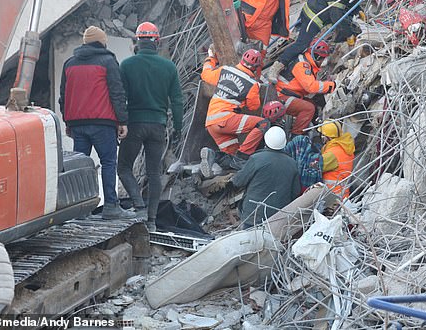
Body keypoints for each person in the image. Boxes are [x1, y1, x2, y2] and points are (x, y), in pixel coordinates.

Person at [59, 26, 135, 220]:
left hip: (78, 125)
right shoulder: (108, 62)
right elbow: (117, 93)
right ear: (102, 42)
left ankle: (80, 211)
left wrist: (68, 121)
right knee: (108, 162)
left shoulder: (69, 64)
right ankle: (111, 206)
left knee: (80, 168)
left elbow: (63, 96)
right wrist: (122, 121)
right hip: (103, 123)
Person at [117, 22, 184, 232]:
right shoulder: (169, 67)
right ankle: (151, 220)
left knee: (124, 168)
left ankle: (138, 206)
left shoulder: (127, 65)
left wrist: (120, 122)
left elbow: (120, 97)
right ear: (157, 41)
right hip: (158, 125)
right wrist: (178, 128)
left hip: (134, 124)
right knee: (154, 172)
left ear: (137, 40)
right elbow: (177, 100)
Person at [267, 0, 374, 83]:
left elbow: (349, 1)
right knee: (301, 44)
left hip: (313, 7)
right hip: (313, 18)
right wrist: (349, 35)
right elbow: (337, 19)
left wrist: (358, 11)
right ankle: (277, 66)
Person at [199, 47, 269, 176]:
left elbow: (205, 75)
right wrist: (257, 88)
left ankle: (213, 155)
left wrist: (211, 57)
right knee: (263, 123)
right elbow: (254, 107)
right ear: (256, 67)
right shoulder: (252, 84)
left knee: (231, 157)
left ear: (242, 60)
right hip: (226, 119)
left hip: (211, 123)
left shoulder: (224, 70)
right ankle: (242, 156)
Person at [230, 126, 301, 228]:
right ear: (284, 142)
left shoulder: (256, 159)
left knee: (249, 240)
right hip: (279, 217)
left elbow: (238, 182)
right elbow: (295, 193)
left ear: (266, 140)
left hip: (253, 215)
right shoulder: (292, 163)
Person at [275, 40, 336, 135]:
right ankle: (296, 135)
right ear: (318, 56)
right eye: (323, 58)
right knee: (308, 108)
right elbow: (310, 87)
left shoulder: (306, 62)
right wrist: (332, 85)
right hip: (282, 96)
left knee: (313, 103)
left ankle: (314, 128)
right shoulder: (302, 65)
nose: (323, 61)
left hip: (288, 94)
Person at [318, 120, 355, 198]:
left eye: (322, 135)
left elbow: (317, 166)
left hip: (332, 195)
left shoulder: (333, 153)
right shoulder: (344, 145)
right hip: (342, 193)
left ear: (327, 136)